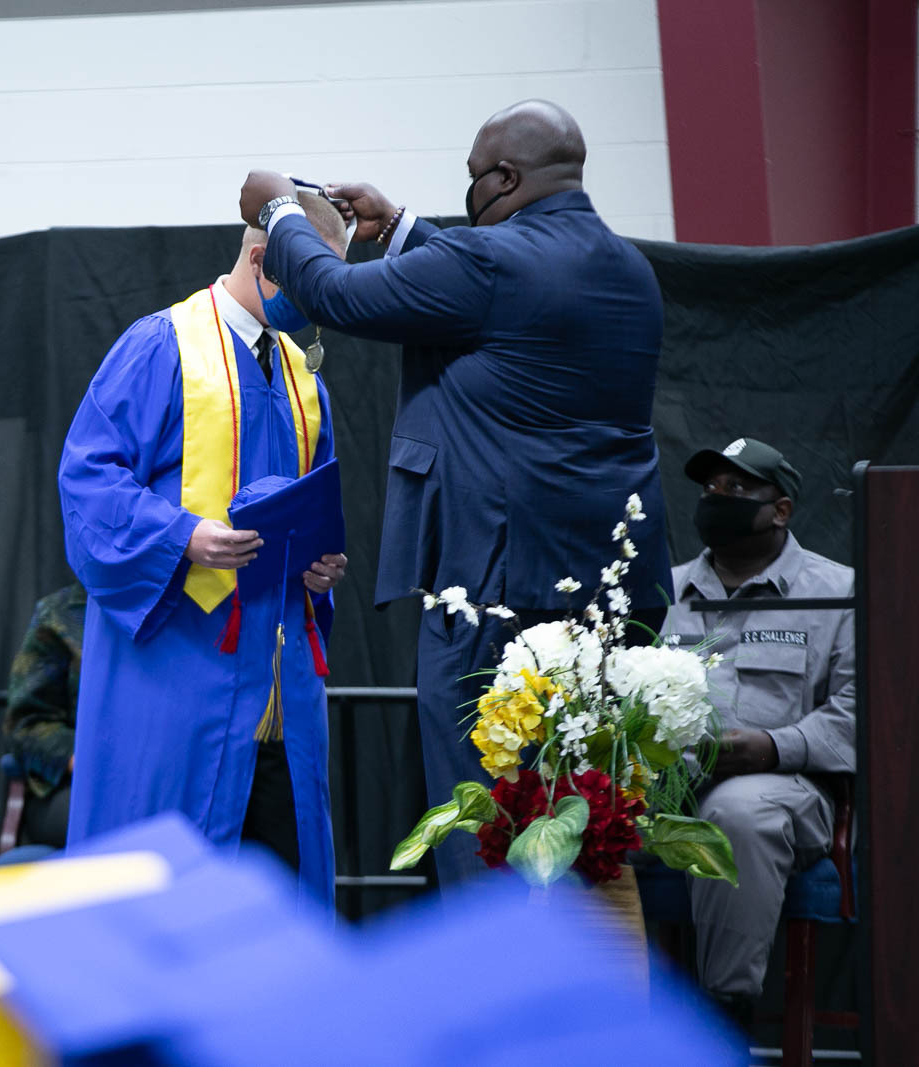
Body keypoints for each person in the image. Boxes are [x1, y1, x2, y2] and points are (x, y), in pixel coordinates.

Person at [236, 99, 673, 886]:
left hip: (495, 590)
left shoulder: (490, 263)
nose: (469, 193)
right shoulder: (629, 269)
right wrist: (402, 227)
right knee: (583, 822)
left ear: (504, 178)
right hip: (608, 591)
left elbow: (336, 294)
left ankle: (493, 964)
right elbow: (495, 289)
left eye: (472, 177)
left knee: (485, 827)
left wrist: (279, 210)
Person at [57, 191, 350, 905]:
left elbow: (313, 507)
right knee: (168, 897)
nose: (325, 302)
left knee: (280, 902)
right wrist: (182, 534)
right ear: (264, 258)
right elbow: (88, 479)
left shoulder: (304, 378)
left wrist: (319, 568)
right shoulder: (162, 345)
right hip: (180, 681)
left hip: (279, 691)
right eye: (314, 279)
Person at [661, 437, 854, 1024]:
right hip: (667, 785)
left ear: (781, 510)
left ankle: (724, 1019)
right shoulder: (660, 590)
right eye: (710, 488)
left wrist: (774, 747)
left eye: (737, 488)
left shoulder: (840, 593)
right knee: (569, 811)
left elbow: (861, 708)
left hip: (787, 787)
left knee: (738, 814)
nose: (717, 498)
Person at [2, 582, 86, 850]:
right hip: (73, 785)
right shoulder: (60, 613)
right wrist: (83, 760)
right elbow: (26, 725)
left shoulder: (182, 610)